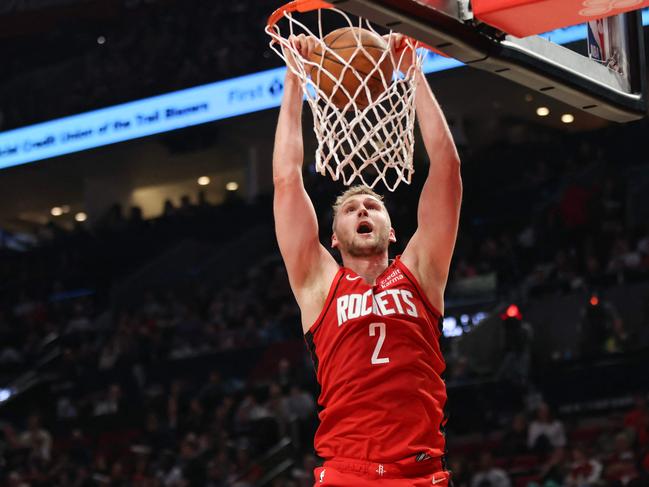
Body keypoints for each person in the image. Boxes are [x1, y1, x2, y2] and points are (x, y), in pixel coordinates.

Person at [272, 32, 462, 486]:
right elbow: (285, 179)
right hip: (347, 473)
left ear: (392, 232)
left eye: (372, 207)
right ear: (332, 238)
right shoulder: (318, 283)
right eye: (350, 209)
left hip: (420, 472)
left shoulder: (422, 271)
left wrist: (413, 69)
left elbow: (446, 167)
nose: (362, 209)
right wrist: (295, 77)